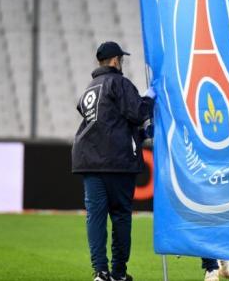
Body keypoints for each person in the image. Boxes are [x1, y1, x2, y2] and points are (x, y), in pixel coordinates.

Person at [72, 41, 155, 281]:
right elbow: (138, 113)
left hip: (89, 160)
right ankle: (118, 273)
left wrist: (137, 134)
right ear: (116, 60)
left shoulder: (89, 88)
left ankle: (100, 272)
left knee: (95, 217)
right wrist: (149, 99)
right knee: (120, 216)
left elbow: (106, 122)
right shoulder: (119, 83)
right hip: (117, 162)